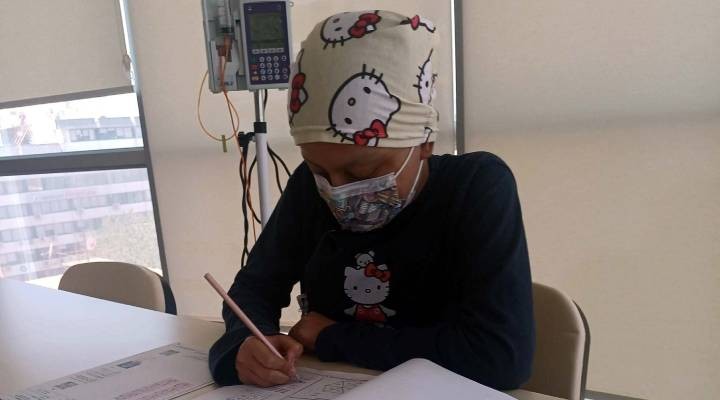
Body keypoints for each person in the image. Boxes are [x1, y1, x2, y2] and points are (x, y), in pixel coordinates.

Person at [209, 10, 534, 390]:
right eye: (318, 169)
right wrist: (246, 343)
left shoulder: (476, 187)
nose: (337, 190)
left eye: (360, 172)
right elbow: (253, 288)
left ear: (424, 143)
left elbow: (500, 356)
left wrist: (333, 337)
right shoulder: (309, 188)